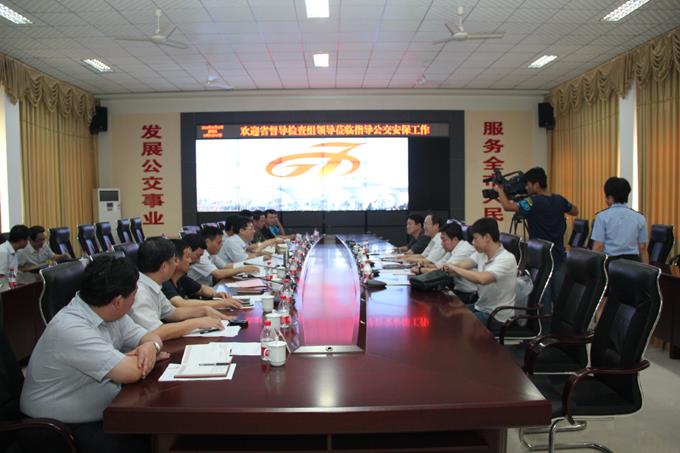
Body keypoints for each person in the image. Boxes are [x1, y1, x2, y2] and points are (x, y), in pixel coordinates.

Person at [20, 255, 165, 453]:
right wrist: (139, 356)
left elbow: (152, 337)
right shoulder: (71, 329)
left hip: (105, 411)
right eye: (134, 294)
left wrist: (150, 347)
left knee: (159, 432)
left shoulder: (110, 313)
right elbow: (132, 372)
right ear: (118, 301)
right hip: (59, 429)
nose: (135, 299)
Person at [495, 167, 578, 318]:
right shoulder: (559, 200)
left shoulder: (532, 202)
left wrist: (500, 189)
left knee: (542, 298)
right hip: (559, 255)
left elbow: (507, 206)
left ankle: (543, 328)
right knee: (559, 298)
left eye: (528, 184)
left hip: (541, 259)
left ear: (536, 184)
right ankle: (559, 327)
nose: (526, 188)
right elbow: (575, 211)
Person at [128, 237, 231, 340]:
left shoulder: (153, 284)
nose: (176, 264)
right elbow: (155, 332)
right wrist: (196, 323)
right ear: (164, 266)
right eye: (174, 261)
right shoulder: (139, 293)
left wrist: (204, 310)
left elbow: (172, 313)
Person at [442, 217, 517, 331]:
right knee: (448, 312)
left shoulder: (506, 259)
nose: (473, 242)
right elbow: (462, 265)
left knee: (455, 322)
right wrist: (450, 267)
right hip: (481, 307)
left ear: (487, 237)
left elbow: (482, 279)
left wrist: (454, 267)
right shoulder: (481, 254)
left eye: (475, 238)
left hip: (497, 316)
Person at [162, 238, 243, 311]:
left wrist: (216, 294)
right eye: (187, 257)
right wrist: (220, 303)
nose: (190, 261)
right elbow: (181, 304)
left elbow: (201, 289)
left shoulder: (181, 277)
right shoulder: (164, 282)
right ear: (175, 260)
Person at [591, 177, 649, 264]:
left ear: (610, 197)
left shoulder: (602, 217)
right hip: (633, 264)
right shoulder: (640, 217)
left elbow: (598, 246)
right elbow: (643, 248)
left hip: (611, 264)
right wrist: (646, 270)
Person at [418, 222, 478, 303]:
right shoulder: (453, 249)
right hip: (459, 290)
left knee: (435, 302)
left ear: (455, 239)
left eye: (444, 240)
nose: (442, 244)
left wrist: (420, 270)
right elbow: (440, 266)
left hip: (469, 295)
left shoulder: (464, 250)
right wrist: (425, 265)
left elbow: (444, 271)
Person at [186, 226, 259, 286]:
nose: (221, 245)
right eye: (219, 243)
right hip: (198, 292)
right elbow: (218, 274)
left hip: (206, 288)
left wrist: (246, 266)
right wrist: (243, 269)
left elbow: (225, 266)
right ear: (207, 242)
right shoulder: (201, 256)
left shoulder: (211, 254)